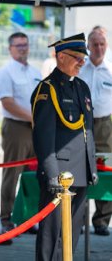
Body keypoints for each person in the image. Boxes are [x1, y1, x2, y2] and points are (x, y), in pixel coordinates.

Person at [31, 33, 98, 261]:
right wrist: (52, 175)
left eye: (83, 58)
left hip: (80, 173)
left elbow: (88, 132)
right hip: (59, 175)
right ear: (60, 57)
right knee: (52, 236)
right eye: (77, 57)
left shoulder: (82, 87)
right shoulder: (47, 89)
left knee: (71, 236)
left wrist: (92, 168)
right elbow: (43, 138)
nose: (82, 62)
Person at [0, 32, 41, 234]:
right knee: (12, 174)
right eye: (18, 45)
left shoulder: (35, 71)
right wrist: (33, 118)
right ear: (10, 48)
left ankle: (29, 218)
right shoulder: (6, 72)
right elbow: (8, 103)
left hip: (35, 129)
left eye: (25, 44)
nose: (23, 48)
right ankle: (6, 218)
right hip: (16, 128)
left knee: (32, 175)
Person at [79, 30, 112, 236]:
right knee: (80, 167)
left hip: (105, 125)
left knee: (106, 169)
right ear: (88, 46)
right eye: (95, 44)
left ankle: (101, 220)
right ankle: (78, 219)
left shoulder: (111, 69)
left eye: (102, 44)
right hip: (82, 123)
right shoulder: (80, 67)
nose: (99, 48)